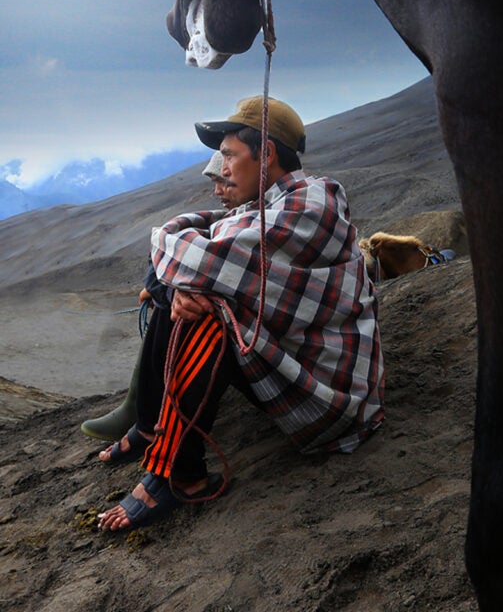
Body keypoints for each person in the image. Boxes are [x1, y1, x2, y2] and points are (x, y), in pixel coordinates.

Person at [97, 96, 384, 531]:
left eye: (228, 155)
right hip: (288, 365)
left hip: (331, 395)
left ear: (265, 153)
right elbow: (194, 244)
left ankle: (175, 476)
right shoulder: (265, 208)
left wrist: (179, 275)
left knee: (208, 310)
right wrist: (176, 281)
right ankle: (152, 425)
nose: (221, 168)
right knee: (185, 292)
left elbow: (190, 251)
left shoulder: (310, 208)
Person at [80, 153, 236, 443]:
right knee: (174, 290)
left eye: (224, 181)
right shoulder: (239, 217)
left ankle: (146, 420)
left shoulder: (260, 223)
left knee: (180, 306)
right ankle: (142, 412)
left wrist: (165, 288)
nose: (217, 191)